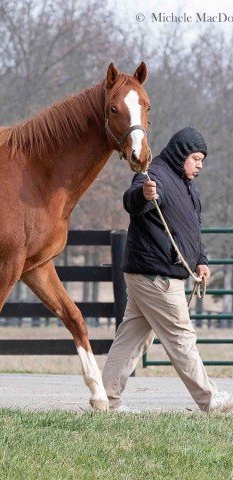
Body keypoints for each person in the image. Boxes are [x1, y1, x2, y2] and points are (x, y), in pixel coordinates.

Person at [102, 127, 232, 413]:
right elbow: (132, 201)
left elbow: (190, 229)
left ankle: (106, 400)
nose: (200, 165)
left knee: (133, 336)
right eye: (196, 159)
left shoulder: (186, 183)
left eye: (202, 160)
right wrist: (144, 196)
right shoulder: (155, 177)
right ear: (181, 154)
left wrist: (202, 260)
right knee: (181, 336)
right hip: (156, 275)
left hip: (152, 273)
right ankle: (209, 400)